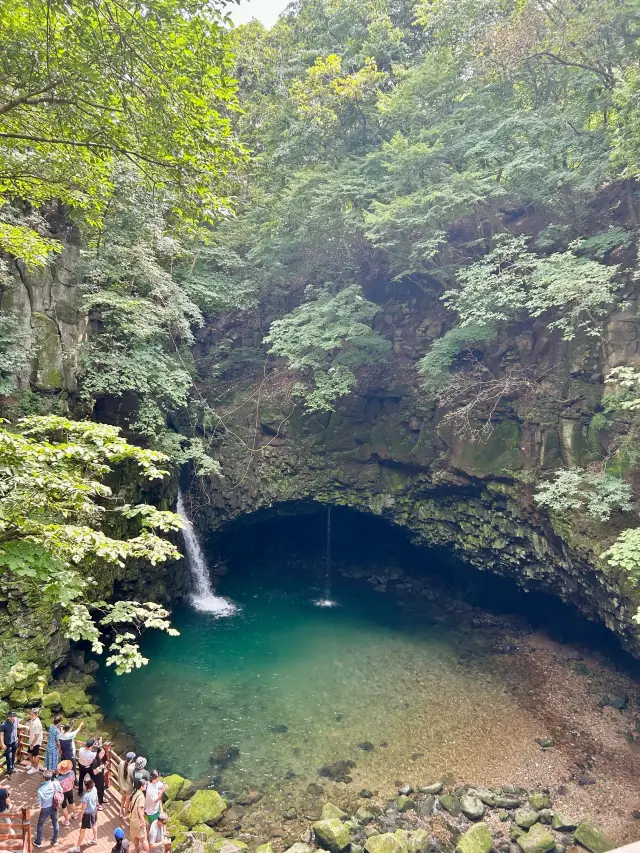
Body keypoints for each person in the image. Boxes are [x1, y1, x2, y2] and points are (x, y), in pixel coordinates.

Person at [68, 777, 98, 852]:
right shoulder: (94, 789)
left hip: (87, 814)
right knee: (94, 825)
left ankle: (78, 847)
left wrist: (81, 815)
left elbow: (83, 808)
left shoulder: (85, 796)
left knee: (82, 830)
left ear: (85, 785)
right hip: (94, 811)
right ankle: (95, 839)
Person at [34, 769, 62, 848]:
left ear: (43, 777)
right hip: (54, 806)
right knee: (55, 823)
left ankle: (38, 842)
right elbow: (61, 790)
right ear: (51, 777)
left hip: (45, 808)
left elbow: (38, 803)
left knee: (40, 824)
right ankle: (55, 840)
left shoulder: (40, 790)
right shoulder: (56, 783)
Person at [129, 779, 149, 853]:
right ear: (141, 787)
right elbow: (140, 810)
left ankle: (136, 851)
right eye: (145, 785)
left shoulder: (135, 793)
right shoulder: (141, 797)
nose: (146, 786)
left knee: (136, 837)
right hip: (138, 821)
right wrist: (142, 821)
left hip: (132, 820)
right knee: (144, 839)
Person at [57, 759, 77, 825]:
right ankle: (75, 814)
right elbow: (73, 781)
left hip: (63, 793)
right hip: (70, 790)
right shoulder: (71, 773)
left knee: (64, 806)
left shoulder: (59, 778)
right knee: (72, 802)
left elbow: (58, 788)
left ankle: (67, 821)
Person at [0, 711, 20, 776]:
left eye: (13, 716)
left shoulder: (16, 720)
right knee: (9, 758)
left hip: (15, 741)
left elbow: (18, 725)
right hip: (7, 743)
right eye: (11, 716)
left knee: (13, 755)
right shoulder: (3, 725)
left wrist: (26, 727)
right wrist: (2, 744)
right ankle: (9, 772)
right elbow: (1, 735)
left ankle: (12, 768)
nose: (12, 718)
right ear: (8, 717)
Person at [24, 708, 43, 774]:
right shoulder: (33, 719)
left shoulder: (37, 723)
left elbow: (37, 736)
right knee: (29, 753)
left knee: (35, 754)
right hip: (32, 740)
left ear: (36, 714)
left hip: (36, 742)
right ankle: (32, 764)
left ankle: (35, 768)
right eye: (31, 713)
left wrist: (32, 744)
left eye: (32, 713)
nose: (31, 714)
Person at [118, 752, 136, 819]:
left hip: (122, 785)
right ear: (131, 760)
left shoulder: (121, 763)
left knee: (123, 797)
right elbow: (132, 777)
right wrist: (133, 766)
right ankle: (125, 814)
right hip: (128, 787)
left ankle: (121, 811)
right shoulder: (131, 768)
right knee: (127, 800)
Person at [90, 738, 107, 809]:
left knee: (102, 789)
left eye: (103, 753)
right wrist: (101, 767)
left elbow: (103, 767)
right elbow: (94, 772)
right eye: (101, 753)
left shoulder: (102, 759)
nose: (102, 755)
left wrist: (104, 767)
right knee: (98, 790)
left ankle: (101, 799)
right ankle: (98, 804)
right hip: (96, 778)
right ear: (98, 753)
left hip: (101, 776)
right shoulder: (95, 761)